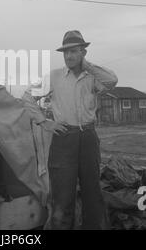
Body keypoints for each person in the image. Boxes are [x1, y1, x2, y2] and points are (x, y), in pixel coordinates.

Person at [46, 30, 118, 230]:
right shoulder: (54, 77)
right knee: (62, 195)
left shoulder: (93, 78)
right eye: (65, 52)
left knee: (92, 192)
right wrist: (46, 123)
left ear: (83, 53)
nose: (69, 56)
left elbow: (112, 80)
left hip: (88, 137)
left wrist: (86, 66)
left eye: (74, 51)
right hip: (63, 138)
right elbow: (27, 98)